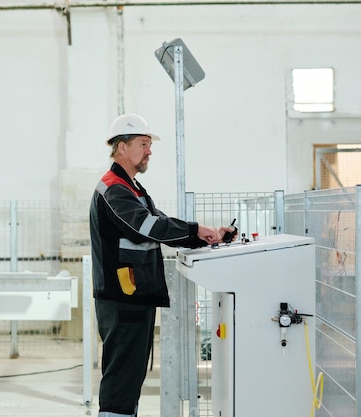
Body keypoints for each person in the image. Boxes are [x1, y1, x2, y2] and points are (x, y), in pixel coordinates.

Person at [89, 113, 235, 417]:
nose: (150, 150)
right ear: (121, 148)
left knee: (131, 376)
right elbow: (147, 226)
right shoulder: (113, 188)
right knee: (121, 378)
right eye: (143, 144)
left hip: (134, 294)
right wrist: (194, 229)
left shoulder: (133, 189)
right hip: (121, 298)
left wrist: (204, 237)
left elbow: (162, 225)